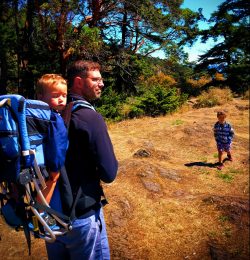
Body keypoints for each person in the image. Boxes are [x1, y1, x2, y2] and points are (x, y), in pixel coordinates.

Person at [45, 60, 118, 260]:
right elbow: (109, 173)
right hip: (81, 216)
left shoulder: (55, 112)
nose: (101, 84)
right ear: (78, 82)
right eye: (95, 79)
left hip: (51, 214)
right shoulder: (90, 117)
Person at [36, 74, 68, 204]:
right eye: (55, 95)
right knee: (51, 184)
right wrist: (55, 169)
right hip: (49, 165)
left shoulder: (36, 114)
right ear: (40, 97)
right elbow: (57, 145)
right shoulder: (54, 118)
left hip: (35, 163)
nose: (61, 99)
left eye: (64, 95)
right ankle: (40, 211)